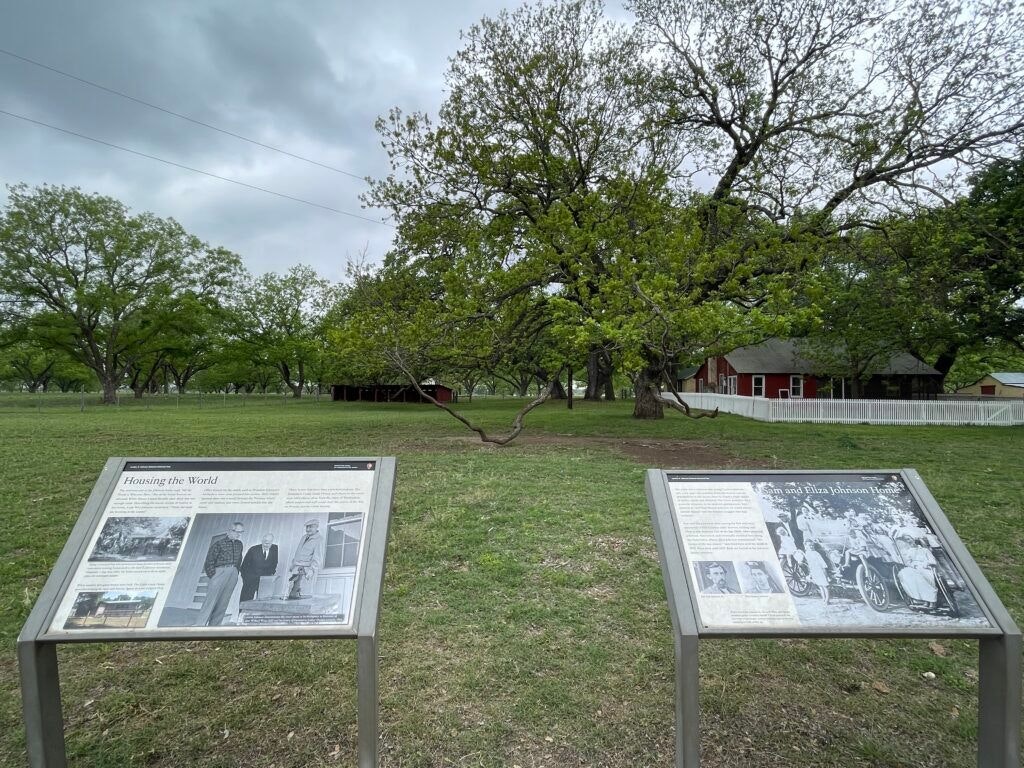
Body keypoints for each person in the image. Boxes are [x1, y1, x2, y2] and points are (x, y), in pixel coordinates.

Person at [195, 522, 245, 626]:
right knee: (210, 601)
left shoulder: (239, 544)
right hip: (219, 572)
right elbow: (209, 561)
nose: (239, 534)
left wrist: (236, 571)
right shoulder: (219, 543)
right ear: (230, 530)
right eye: (237, 532)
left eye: (241, 532)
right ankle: (200, 625)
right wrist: (213, 576)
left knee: (223, 602)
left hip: (233, 573)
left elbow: (239, 559)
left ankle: (214, 626)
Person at [288, 519, 324, 600]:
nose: (308, 529)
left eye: (310, 527)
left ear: (316, 527)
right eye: (307, 527)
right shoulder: (304, 537)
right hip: (296, 569)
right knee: (292, 594)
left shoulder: (319, 539)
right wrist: (293, 565)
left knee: (303, 596)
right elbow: (298, 552)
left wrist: (311, 570)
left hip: (306, 571)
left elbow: (318, 558)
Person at [239, 534, 278, 602]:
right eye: (265, 542)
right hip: (251, 580)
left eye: (269, 543)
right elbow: (244, 566)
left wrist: (271, 574)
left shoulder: (275, 549)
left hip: (264, 581)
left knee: (263, 601)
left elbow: (274, 563)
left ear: (272, 542)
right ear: (262, 540)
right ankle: (242, 613)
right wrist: (247, 579)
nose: (266, 544)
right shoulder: (253, 549)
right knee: (245, 600)